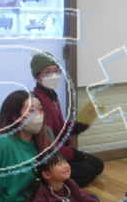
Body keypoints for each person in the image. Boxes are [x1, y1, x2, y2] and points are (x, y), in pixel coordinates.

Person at [31, 52, 104, 187]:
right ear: (37, 77)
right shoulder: (39, 101)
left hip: (59, 150)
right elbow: (47, 141)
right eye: (47, 72)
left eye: (56, 71)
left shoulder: (52, 96)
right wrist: (72, 154)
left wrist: (78, 125)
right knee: (87, 172)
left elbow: (58, 129)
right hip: (48, 155)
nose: (54, 75)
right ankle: (49, 183)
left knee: (98, 165)